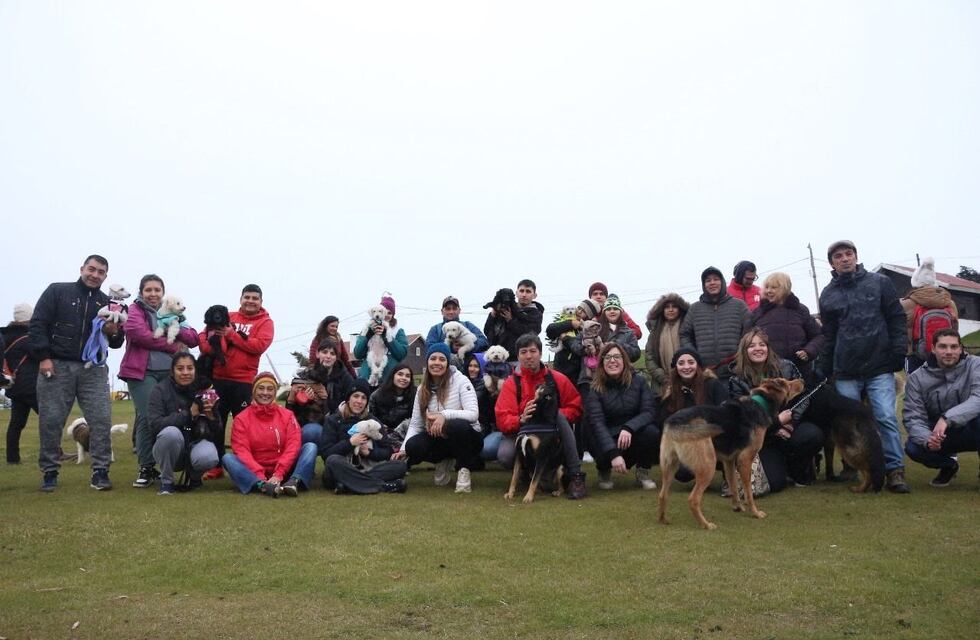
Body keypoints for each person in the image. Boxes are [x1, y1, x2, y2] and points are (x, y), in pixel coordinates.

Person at [818, 240, 910, 493]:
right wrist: (825, 367)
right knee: (849, 424)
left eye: (849, 254)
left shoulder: (880, 283)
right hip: (845, 369)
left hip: (879, 365)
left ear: (856, 257)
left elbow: (896, 318)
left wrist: (898, 351)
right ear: (832, 263)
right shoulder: (828, 294)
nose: (844, 258)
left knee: (885, 418)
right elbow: (829, 334)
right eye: (838, 256)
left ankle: (894, 471)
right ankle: (858, 467)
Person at [29, 255, 125, 491]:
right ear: (82, 268)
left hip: (93, 369)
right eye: (91, 269)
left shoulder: (109, 303)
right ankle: (50, 472)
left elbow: (115, 343)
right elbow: (38, 324)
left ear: (106, 276)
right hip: (57, 365)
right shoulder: (57, 291)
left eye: (101, 272)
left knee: (101, 420)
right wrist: (43, 358)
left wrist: (114, 331)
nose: (95, 275)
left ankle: (101, 471)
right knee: (51, 420)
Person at [118, 274, 199, 489]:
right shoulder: (134, 310)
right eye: (148, 290)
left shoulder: (174, 309)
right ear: (141, 292)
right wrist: (173, 346)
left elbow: (193, 337)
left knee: (173, 417)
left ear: (163, 293)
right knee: (147, 417)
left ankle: (173, 461)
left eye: (157, 290)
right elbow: (140, 334)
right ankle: (146, 466)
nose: (153, 294)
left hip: (170, 374)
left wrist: (179, 328)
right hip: (142, 372)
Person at [728, 329, 823, 491]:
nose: (758, 348)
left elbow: (804, 397)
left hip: (790, 427)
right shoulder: (736, 379)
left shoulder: (787, 366)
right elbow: (744, 417)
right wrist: (776, 423)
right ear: (744, 350)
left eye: (762, 344)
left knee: (812, 434)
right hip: (765, 439)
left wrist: (790, 422)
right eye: (752, 346)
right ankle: (780, 468)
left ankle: (798, 470)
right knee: (776, 483)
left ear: (768, 348)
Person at [494, 334, 586, 499]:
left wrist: (551, 416)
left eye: (532, 351)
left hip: (551, 433)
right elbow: (502, 418)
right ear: (518, 356)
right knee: (505, 455)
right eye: (523, 352)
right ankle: (526, 474)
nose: (528, 356)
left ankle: (575, 474)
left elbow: (576, 407)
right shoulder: (511, 383)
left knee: (559, 415)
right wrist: (520, 419)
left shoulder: (558, 379)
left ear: (540, 353)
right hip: (521, 431)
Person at [198, 284, 275, 468]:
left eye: (254, 298)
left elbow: (258, 346)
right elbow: (203, 334)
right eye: (247, 297)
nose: (250, 301)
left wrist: (232, 335)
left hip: (244, 382)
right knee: (215, 422)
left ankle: (244, 464)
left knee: (244, 427)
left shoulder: (266, 322)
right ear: (241, 299)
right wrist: (206, 345)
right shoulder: (228, 315)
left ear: (261, 302)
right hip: (217, 379)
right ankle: (216, 466)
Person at [394, 342, 483, 493]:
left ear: (448, 363)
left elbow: (473, 414)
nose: (437, 363)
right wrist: (403, 449)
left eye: (442, 359)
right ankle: (443, 460)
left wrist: (444, 415)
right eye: (433, 358)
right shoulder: (422, 389)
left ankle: (464, 469)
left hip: (469, 438)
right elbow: (416, 424)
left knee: (457, 426)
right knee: (412, 447)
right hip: (440, 438)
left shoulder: (461, 381)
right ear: (427, 362)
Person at [902, 329, 980, 488]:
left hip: (972, 429)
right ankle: (948, 466)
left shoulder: (976, 365)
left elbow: (978, 398)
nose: (949, 351)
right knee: (913, 447)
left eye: (953, 347)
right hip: (942, 436)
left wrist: (946, 419)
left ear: (961, 348)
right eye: (943, 346)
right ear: (933, 349)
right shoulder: (917, 378)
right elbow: (913, 417)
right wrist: (928, 439)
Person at [221, 372, 318, 497]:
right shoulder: (241, 419)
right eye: (261, 388)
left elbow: (293, 445)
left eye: (270, 389)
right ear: (254, 392)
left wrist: (279, 473)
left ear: (275, 392)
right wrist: (260, 475)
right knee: (228, 459)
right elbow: (242, 451)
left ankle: (293, 482)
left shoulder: (287, 415)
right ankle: (262, 485)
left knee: (310, 447)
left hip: (285, 470)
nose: (265, 393)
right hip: (256, 470)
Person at [584, 343, 659, 491]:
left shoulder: (640, 382)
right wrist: (613, 454)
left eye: (617, 357)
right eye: (608, 357)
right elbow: (597, 423)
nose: (613, 361)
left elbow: (649, 412)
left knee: (652, 432)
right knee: (590, 431)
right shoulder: (595, 389)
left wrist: (629, 428)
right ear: (602, 363)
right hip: (609, 434)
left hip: (631, 433)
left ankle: (643, 472)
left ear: (624, 360)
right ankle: (604, 470)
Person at [146, 353, 220, 495]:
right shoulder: (159, 390)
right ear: (172, 371)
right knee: (171, 433)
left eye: (190, 368)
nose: (185, 372)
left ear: (195, 370)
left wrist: (211, 416)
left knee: (209, 455)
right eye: (180, 368)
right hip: (170, 448)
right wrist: (188, 414)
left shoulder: (205, 391)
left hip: (194, 443)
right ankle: (167, 482)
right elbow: (155, 424)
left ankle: (195, 478)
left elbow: (217, 432)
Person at [320, 379, 408, 494]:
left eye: (363, 398)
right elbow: (326, 454)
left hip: (368, 467)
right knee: (333, 461)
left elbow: (387, 451)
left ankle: (348, 486)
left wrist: (369, 452)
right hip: (343, 467)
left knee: (400, 466)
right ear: (348, 399)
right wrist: (349, 443)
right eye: (355, 396)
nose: (359, 401)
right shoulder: (333, 420)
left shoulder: (372, 421)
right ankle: (383, 486)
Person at [747, 272, 824, 381]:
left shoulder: (801, 310)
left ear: (785, 288)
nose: (769, 291)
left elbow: (818, 336)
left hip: (799, 373)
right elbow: (746, 341)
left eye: (774, 287)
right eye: (767, 287)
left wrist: (808, 351)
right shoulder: (757, 313)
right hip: (766, 373)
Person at [680, 266, 748, 380]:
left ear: (722, 282)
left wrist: (740, 355)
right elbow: (684, 334)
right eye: (708, 280)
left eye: (716, 279)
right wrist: (694, 355)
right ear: (704, 285)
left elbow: (749, 332)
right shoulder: (694, 309)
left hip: (735, 371)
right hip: (704, 373)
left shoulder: (739, 305)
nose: (712, 283)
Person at [286, 338, 354, 445]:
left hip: (339, 421)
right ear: (317, 354)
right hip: (313, 423)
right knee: (311, 432)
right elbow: (290, 408)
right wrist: (304, 401)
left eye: (332, 353)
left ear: (336, 357)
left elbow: (351, 402)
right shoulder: (305, 376)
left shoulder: (345, 377)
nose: (328, 356)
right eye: (324, 352)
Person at [900, 257, 958, 374]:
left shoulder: (907, 303)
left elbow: (899, 329)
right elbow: (955, 328)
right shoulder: (949, 302)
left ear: (916, 281)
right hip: (945, 355)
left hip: (915, 355)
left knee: (916, 389)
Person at [570, 295, 641, 387]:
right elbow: (575, 344)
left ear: (620, 312)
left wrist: (617, 347)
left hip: (620, 380)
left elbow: (636, 353)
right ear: (604, 312)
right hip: (591, 380)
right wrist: (586, 349)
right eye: (608, 309)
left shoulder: (629, 332)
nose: (612, 311)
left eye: (615, 308)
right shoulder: (593, 327)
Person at [2, 303, 39, 464]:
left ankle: (12, 458)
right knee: (50, 419)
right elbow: (39, 354)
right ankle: (55, 451)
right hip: (31, 386)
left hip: (14, 385)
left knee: (16, 424)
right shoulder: (29, 337)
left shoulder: (5, 336)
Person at [353, 294, 409, 387]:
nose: (386, 315)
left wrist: (386, 337)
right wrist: (367, 336)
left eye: (389, 313)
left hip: (389, 380)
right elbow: (358, 353)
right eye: (384, 311)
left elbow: (401, 354)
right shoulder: (367, 328)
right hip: (367, 378)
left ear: (393, 315)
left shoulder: (398, 331)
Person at [483, 280, 544, 361]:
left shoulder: (536, 313)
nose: (524, 295)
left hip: (519, 359)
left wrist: (510, 321)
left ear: (534, 295)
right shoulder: (506, 307)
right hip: (498, 358)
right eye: (521, 291)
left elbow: (531, 333)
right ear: (516, 293)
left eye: (528, 291)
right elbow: (487, 331)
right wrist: (493, 314)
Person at [545, 299, 601, 385]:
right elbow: (550, 330)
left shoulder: (589, 330)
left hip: (576, 373)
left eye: (583, 311)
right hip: (560, 368)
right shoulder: (567, 320)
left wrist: (565, 338)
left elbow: (579, 348)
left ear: (588, 316)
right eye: (579, 308)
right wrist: (571, 324)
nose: (579, 311)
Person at [643, 294, 689, 398]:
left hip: (687, 381)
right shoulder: (655, 332)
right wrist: (664, 379)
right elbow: (649, 358)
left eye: (674, 306)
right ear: (661, 310)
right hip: (661, 384)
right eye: (667, 307)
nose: (671, 310)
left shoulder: (688, 329)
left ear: (680, 309)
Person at [369, 364, 417, 452]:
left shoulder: (415, 395)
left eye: (407, 376)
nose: (404, 378)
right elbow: (371, 417)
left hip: (405, 434)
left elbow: (415, 420)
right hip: (382, 434)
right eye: (400, 374)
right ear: (393, 376)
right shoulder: (377, 395)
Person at [464, 351, 500, 464]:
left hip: (483, 425)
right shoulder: (464, 382)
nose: (472, 369)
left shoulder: (487, 385)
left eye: (476, 366)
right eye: (470, 365)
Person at [425, 295, 489, 354]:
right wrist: (450, 348)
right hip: (445, 365)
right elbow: (429, 347)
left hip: (467, 365)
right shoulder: (435, 329)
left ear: (459, 310)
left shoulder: (468, 326)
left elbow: (484, 342)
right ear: (442, 311)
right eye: (448, 309)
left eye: (454, 308)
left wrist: (467, 346)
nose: (451, 312)